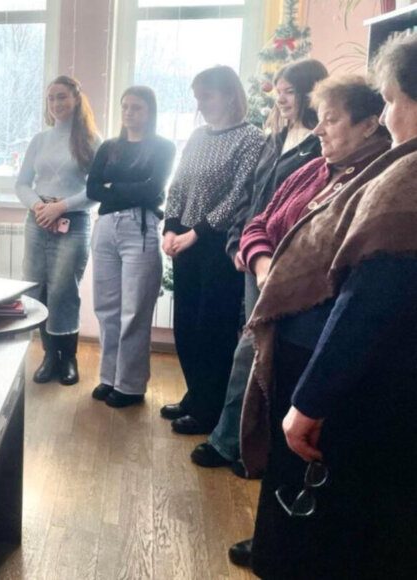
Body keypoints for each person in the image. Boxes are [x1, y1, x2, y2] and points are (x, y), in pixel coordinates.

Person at [232, 63, 412, 577]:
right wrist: (264, 264)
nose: (319, 130)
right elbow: (260, 222)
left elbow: (365, 294)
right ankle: (272, 541)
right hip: (292, 331)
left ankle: (284, 549)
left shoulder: (391, 176)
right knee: (283, 455)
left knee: (310, 461)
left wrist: (312, 397)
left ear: (369, 124)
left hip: (321, 345)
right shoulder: (316, 170)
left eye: (331, 120)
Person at [191, 60, 328, 470]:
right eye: (278, 92)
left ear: (310, 93)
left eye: (289, 92)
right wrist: (238, 242)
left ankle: (234, 442)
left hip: (284, 261)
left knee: (255, 349)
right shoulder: (276, 139)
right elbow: (252, 199)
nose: (280, 100)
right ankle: (242, 443)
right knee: (252, 349)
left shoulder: (319, 146)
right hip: (254, 254)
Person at [160, 66, 265, 435]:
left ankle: (210, 409)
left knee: (212, 330)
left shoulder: (251, 138)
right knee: (186, 326)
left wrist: (197, 233)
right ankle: (196, 395)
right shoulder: (197, 136)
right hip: (186, 242)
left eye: (207, 96)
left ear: (229, 95)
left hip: (218, 247)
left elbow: (240, 195)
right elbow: (178, 185)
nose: (200, 104)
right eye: (197, 97)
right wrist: (170, 228)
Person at [86, 86, 175, 407]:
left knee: (135, 310)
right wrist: (128, 189)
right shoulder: (109, 147)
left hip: (140, 227)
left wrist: (113, 187)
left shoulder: (163, 147)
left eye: (136, 107)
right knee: (106, 308)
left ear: (149, 111)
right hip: (106, 228)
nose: (128, 112)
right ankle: (109, 377)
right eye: (125, 106)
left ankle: (131, 385)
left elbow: (153, 190)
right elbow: (92, 189)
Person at [16, 75, 101, 386]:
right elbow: (22, 183)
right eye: (51, 98)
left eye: (62, 97)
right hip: (38, 222)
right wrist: (39, 206)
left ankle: (69, 359)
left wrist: (61, 207)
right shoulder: (40, 140)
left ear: (76, 99)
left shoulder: (91, 140)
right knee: (37, 289)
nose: (56, 103)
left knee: (64, 290)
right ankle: (50, 356)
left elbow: (96, 190)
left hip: (73, 222)